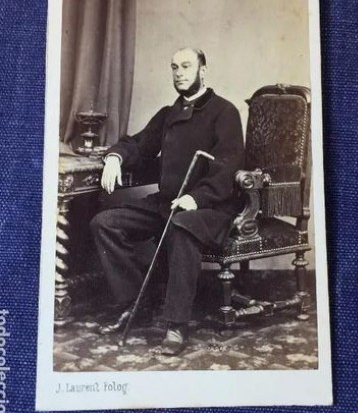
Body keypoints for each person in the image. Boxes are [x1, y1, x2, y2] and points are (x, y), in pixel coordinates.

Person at [90, 47, 244, 355]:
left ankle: (176, 325)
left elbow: (229, 167)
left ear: (203, 70)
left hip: (210, 207)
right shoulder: (168, 114)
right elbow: (137, 143)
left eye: (187, 66)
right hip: (168, 202)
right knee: (104, 223)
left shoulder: (224, 112)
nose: (179, 73)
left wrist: (196, 198)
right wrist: (115, 158)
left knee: (181, 225)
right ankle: (138, 301)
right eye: (174, 67)